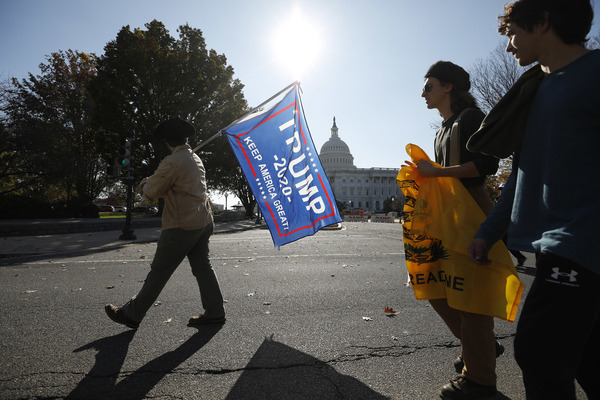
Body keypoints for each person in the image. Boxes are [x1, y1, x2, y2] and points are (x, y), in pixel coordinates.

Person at [467, 1, 599, 399]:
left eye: (513, 33)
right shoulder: (534, 90)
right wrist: (489, 231)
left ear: (542, 22)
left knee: (539, 351)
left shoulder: (593, 75)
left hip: (581, 242)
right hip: (553, 247)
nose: (508, 45)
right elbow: (524, 172)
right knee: (585, 358)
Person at [406, 61, 502, 399]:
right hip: (448, 213)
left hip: (472, 208)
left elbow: (487, 165)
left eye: (428, 86)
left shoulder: (471, 118)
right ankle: (480, 347)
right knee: (431, 284)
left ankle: (480, 380)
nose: (423, 93)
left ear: (448, 87)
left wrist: (435, 173)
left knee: (469, 296)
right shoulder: (442, 129)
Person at [105, 117, 226, 329]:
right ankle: (215, 311)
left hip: (181, 225)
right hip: (203, 221)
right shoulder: (195, 158)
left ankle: (132, 314)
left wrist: (144, 185)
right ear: (185, 138)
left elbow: (152, 191)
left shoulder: (172, 162)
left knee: (159, 271)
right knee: (202, 267)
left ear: (167, 141)